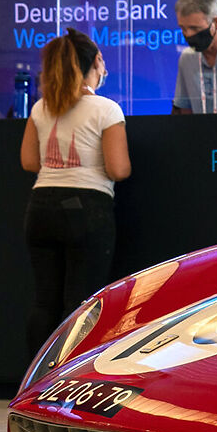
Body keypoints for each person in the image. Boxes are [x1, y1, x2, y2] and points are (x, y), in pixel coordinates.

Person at [20, 29, 131, 352]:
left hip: (40, 208)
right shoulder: (105, 109)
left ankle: (34, 385)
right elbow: (118, 169)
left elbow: (29, 161)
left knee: (44, 302)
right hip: (86, 209)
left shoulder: (42, 107)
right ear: (96, 62)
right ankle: (69, 387)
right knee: (81, 305)